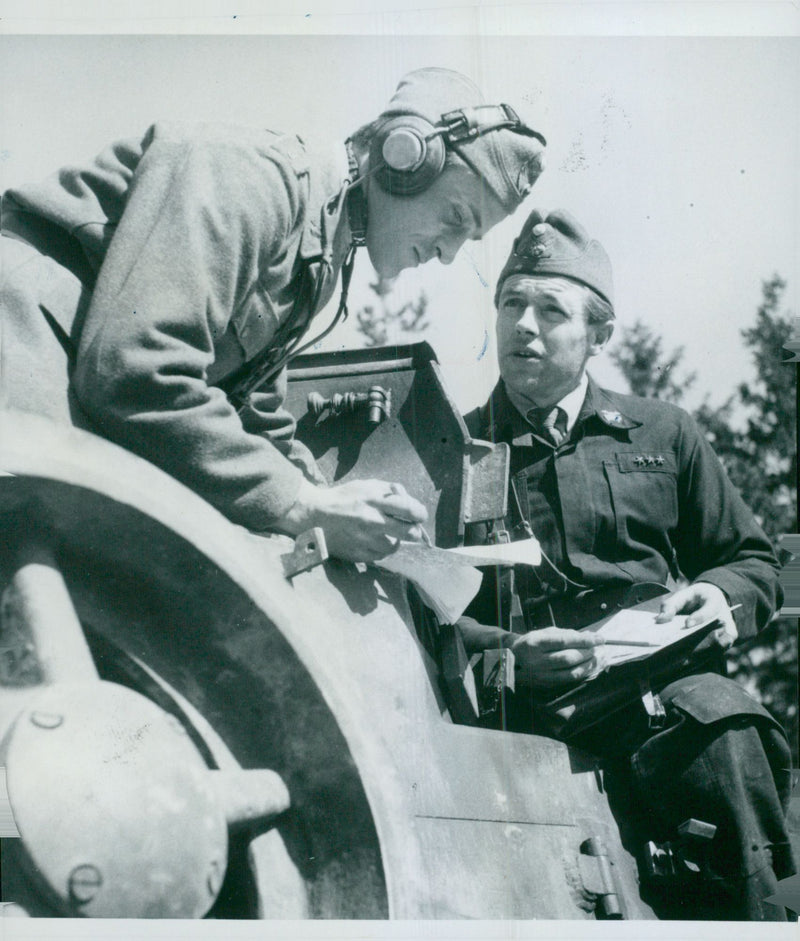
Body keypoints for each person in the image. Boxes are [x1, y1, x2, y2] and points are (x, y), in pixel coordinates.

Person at [0, 68, 546, 562]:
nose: (449, 253)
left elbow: (251, 411)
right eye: (455, 218)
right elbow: (134, 368)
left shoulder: (318, 254)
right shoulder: (249, 177)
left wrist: (328, 495)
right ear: (405, 159)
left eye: (468, 239)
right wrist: (300, 503)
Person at [458, 208, 795, 920]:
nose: (523, 324)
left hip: (664, 704)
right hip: (526, 718)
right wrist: (513, 656)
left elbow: (751, 560)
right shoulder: (451, 450)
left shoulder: (663, 432)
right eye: (511, 302)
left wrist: (715, 594)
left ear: (598, 334)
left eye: (551, 309)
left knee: (728, 726)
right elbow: (427, 619)